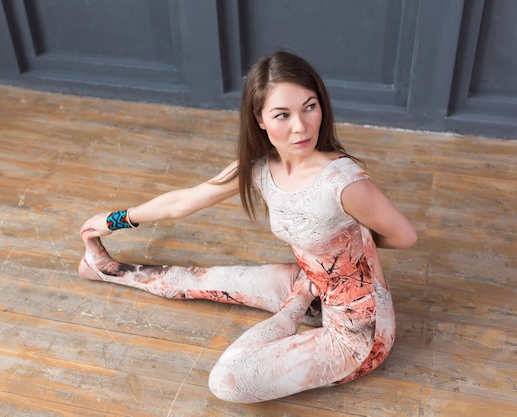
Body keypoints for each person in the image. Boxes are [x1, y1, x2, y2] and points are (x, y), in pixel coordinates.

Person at [78, 50, 417, 403]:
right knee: (200, 280)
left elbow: (404, 236)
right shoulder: (260, 167)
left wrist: (348, 254)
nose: (301, 126)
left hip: (358, 332)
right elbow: (185, 200)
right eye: (282, 115)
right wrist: (116, 219)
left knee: (228, 381)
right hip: (309, 279)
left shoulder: (343, 182)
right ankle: (104, 268)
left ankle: (293, 308)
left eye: (309, 107)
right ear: (260, 119)